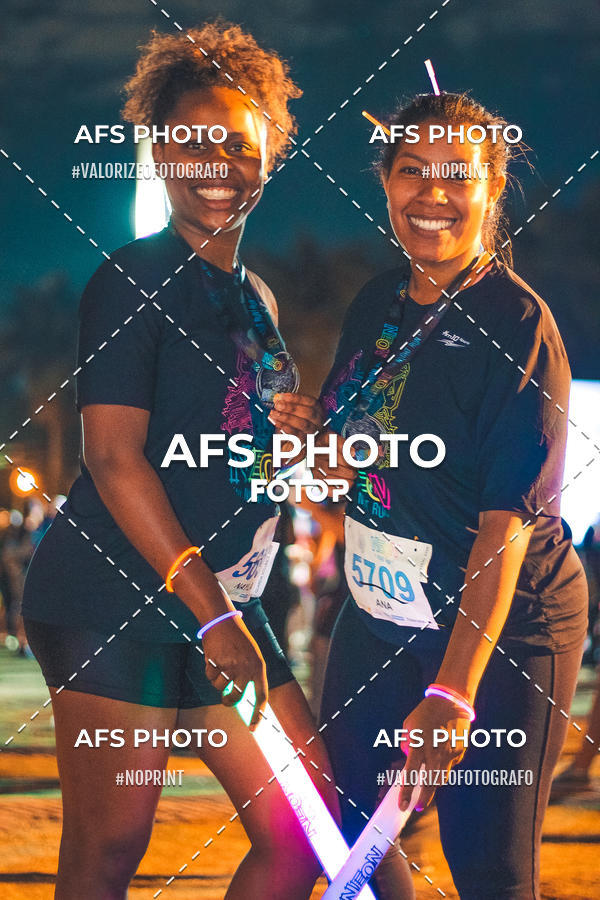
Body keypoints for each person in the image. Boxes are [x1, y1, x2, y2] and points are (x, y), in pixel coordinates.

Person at [22, 23, 338, 900]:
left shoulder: (259, 297)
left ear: (268, 154)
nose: (219, 160)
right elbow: (116, 459)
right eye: (194, 140)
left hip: (222, 604)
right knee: (110, 848)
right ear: (160, 155)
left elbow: (237, 450)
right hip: (113, 599)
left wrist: (298, 433)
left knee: (303, 828)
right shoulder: (131, 279)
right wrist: (210, 618)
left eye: (239, 141)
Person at [271, 92, 588, 898]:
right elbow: (350, 475)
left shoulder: (516, 323)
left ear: (490, 188)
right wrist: (316, 445)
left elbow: (504, 525)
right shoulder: (377, 303)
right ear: (384, 182)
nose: (433, 193)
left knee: (487, 865)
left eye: (457, 174)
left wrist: (453, 691)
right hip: (382, 610)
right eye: (412, 170)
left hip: (506, 626)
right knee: (351, 824)